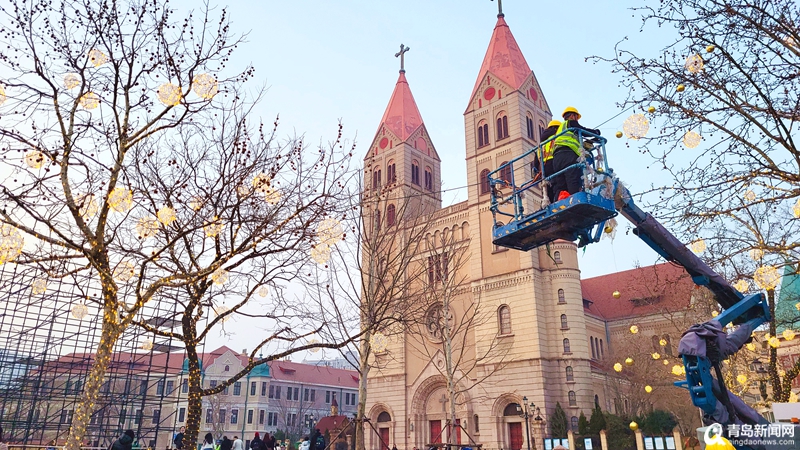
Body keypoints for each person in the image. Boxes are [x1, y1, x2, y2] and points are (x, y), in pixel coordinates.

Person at [550, 107, 601, 200]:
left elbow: (576, 140)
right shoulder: (570, 123)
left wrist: (591, 141)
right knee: (572, 178)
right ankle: (576, 200)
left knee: (561, 184)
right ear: (573, 116)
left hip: (557, 158)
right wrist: (596, 133)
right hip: (568, 154)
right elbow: (582, 130)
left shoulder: (560, 130)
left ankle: (559, 201)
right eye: (576, 117)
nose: (577, 120)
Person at [532, 119, 561, 203]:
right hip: (554, 165)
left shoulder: (541, 144)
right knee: (557, 185)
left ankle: (547, 204)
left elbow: (536, 162)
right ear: (556, 129)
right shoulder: (556, 138)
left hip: (544, 170)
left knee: (547, 189)